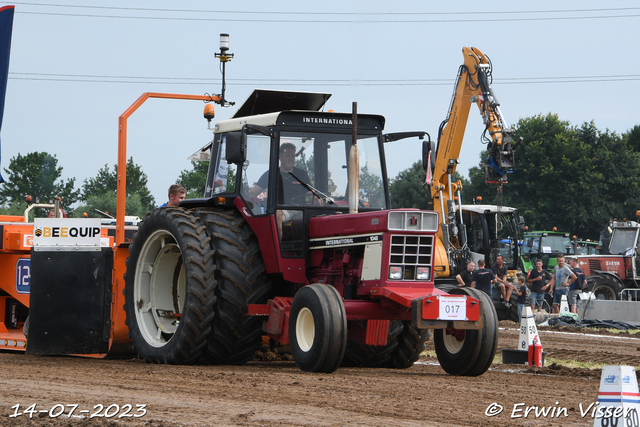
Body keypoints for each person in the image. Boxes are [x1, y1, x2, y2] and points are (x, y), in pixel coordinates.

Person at [249, 142, 313, 239]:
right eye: (287, 156)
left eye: (292, 156)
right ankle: (277, 250)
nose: (290, 159)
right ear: (280, 157)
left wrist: (319, 200)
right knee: (277, 214)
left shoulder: (302, 174)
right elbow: (253, 193)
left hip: (299, 209)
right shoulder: (271, 174)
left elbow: (311, 195)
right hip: (281, 209)